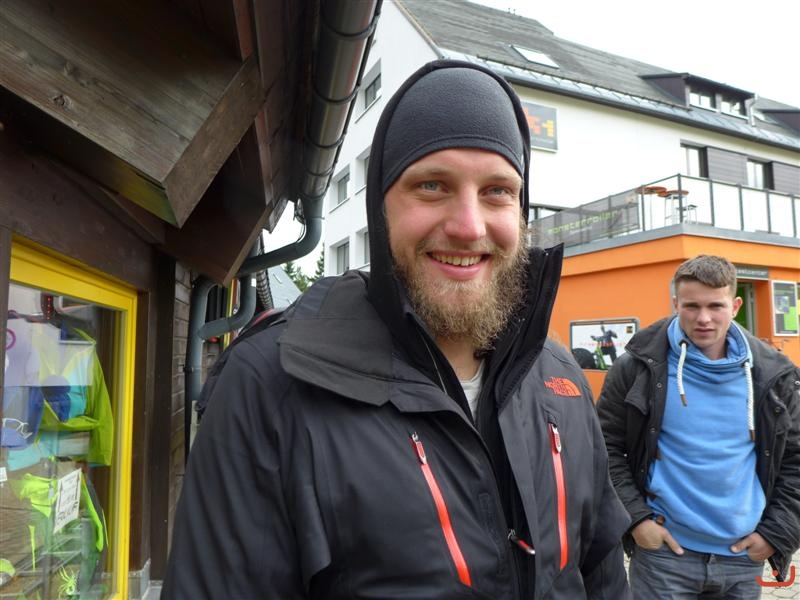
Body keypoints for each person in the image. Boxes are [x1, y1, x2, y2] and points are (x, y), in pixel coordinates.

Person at [162, 60, 631, 599]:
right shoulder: (271, 383)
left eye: (498, 190)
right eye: (432, 185)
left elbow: (601, 576)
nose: (469, 226)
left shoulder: (559, 379)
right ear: (379, 208)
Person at [596, 254, 800, 599]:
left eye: (715, 306)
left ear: (735, 305)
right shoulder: (637, 367)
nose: (703, 318)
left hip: (743, 557)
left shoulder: (774, 375)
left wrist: (776, 534)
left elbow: (795, 461)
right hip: (664, 556)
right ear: (676, 303)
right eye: (691, 306)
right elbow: (604, 448)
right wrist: (637, 520)